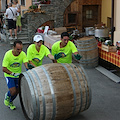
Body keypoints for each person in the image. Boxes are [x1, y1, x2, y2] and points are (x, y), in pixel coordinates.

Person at [2, 40, 28, 110]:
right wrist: (12, 73)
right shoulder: (8, 55)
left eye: (21, 49)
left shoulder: (23, 54)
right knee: (13, 91)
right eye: (18, 49)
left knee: (18, 91)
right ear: (13, 48)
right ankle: (7, 96)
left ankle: (10, 102)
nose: (20, 51)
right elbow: (4, 69)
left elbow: (26, 64)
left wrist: (29, 68)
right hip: (9, 75)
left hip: (18, 75)